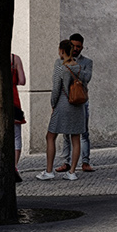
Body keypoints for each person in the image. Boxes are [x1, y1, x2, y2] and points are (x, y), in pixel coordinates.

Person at [39, 35, 91, 181]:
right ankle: (72, 172)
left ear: (62, 51)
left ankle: (49, 171)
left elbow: (56, 89)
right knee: (76, 138)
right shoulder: (80, 68)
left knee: (50, 136)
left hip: (62, 105)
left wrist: (53, 104)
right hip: (78, 106)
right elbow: (85, 83)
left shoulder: (60, 67)